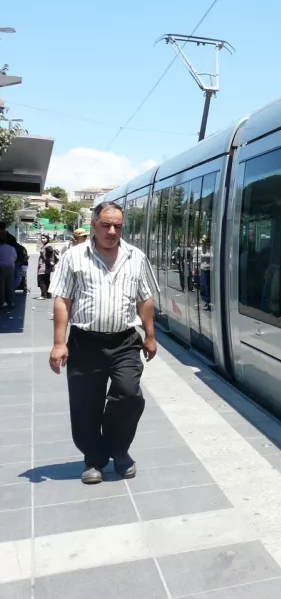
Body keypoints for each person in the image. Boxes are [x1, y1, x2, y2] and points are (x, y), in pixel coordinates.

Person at [47, 201, 160, 484]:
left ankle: (118, 448)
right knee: (86, 405)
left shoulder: (136, 256)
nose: (112, 231)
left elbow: (144, 298)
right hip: (85, 342)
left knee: (129, 395)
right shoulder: (74, 257)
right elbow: (63, 299)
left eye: (118, 226)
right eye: (106, 225)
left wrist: (150, 335)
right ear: (93, 225)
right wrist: (59, 343)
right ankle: (94, 459)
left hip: (125, 341)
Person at [36, 234, 58, 298]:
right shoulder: (47, 245)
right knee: (47, 280)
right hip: (47, 266)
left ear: (47, 239)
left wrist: (47, 260)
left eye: (44, 238)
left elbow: (50, 252)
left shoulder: (48, 246)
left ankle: (43, 295)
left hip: (44, 266)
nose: (43, 240)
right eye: (42, 238)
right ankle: (48, 295)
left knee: (41, 280)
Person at [0, 222, 16, 308]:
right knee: (10, 285)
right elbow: (15, 257)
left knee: (1, 286)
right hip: (10, 267)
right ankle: (11, 302)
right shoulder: (11, 244)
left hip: (1, 268)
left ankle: (2, 302)